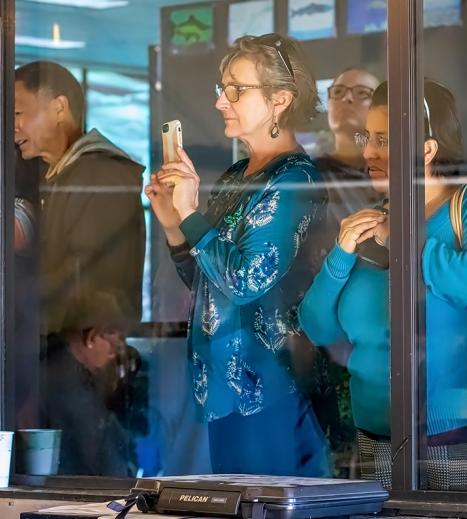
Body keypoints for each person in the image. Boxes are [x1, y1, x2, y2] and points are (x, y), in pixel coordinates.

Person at [299, 80, 467, 490]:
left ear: (427, 150)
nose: (368, 152)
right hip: (375, 433)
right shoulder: (368, 222)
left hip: (457, 432)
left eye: (383, 140)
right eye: (367, 138)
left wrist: (399, 240)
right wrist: (340, 255)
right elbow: (317, 327)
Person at [146, 33, 329, 477]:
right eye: (221, 88)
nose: (220, 102)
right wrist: (174, 223)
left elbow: (245, 281)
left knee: (261, 500)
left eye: (236, 90)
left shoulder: (294, 180)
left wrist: (191, 213)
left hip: (269, 387)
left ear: (280, 99)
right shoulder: (236, 176)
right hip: (224, 386)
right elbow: (208, 284)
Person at [14, 61, 145, 336]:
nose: (13, 126)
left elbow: (88, 278)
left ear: (59, 108)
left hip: (86, 346)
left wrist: (12, 295)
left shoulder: (101, 174)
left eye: (18, 113)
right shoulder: (56, 174)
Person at [296, 67, 381, 477]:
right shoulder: (308, 176)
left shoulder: (392, 177)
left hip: (379, 336)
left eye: (361, 93)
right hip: (321, 337)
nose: (346, 99)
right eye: (338, 91)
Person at [39, 290, 147, 476]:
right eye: (113, 349)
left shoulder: (56, 367)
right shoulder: (69, 385)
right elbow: (100, 461)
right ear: (92, 337)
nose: (113, 357)